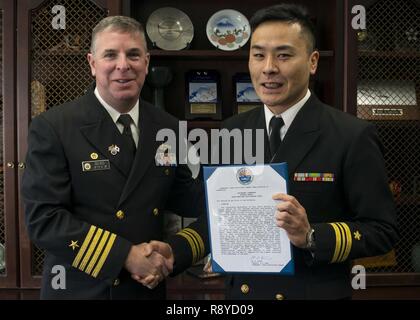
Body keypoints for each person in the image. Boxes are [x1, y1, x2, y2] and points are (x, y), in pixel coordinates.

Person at [210, 4, 398, 299]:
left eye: (283, 55)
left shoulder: (351, 135)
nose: (268, 67)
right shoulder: (231, 130)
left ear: (312, 62)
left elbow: (382, 230)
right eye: (258, 55)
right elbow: (213, 213)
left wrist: (311, 236)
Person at [21, 16, 207, 299]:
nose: (123, 65)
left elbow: (185, 196)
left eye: (133, 54)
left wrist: (240, 190)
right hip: (80, 289)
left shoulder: (167, 126)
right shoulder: (54, 127)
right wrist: (125, 255)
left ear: (146, 62)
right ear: (92, 63)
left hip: (146, 287)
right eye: (110, 55)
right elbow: (44, 220)